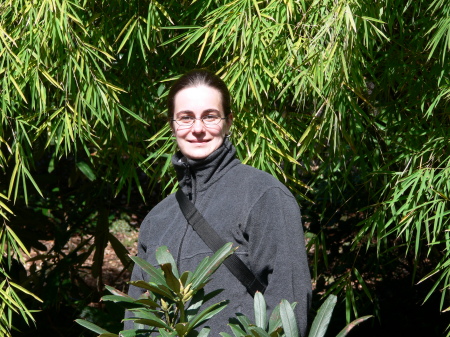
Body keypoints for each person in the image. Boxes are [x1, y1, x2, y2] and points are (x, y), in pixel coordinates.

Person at [126, 69, 312, 335]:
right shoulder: (157, 220)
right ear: (172, 125)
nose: (198, 128)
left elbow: (289, 303)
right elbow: (137, 314)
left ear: (228, 122)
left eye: (210, 116)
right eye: (186, 118)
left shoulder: (263, 195)